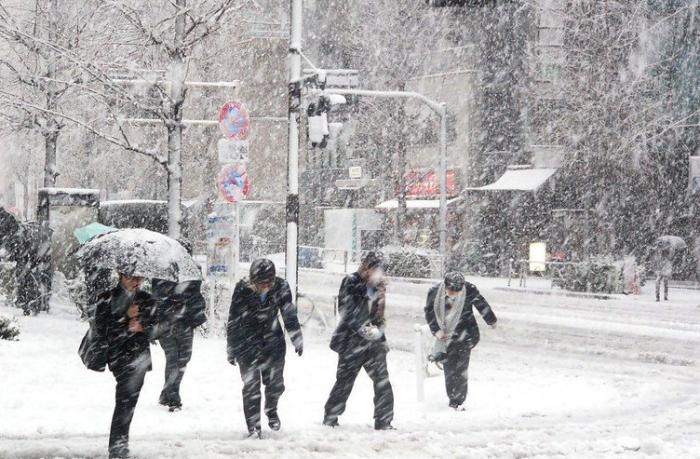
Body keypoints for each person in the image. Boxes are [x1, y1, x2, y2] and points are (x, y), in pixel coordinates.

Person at [226, 259, 303, 438]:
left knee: (275, 384)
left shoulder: (281, 287)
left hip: (273, 342)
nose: (265, 286)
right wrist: (231, 347)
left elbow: (289, 314)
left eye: (268, 283)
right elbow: (233, 319)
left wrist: (297, 338)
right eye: (260, 283)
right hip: (247, 343)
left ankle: (271, 408)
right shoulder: (242, 288)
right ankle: (253, 426)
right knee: (251, 386)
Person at [323, 251, 394, 430]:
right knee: (344, 382)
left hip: (374, 343)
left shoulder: (379, 288)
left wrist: (379, 331)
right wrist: (361, 328)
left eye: (382, 271)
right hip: (351, 342)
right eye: (377, 270)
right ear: (367, 268)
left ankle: (384, 420)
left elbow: (379, 315)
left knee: (382, 381)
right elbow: (345, 310)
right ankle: (331, 417)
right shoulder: (351, 281)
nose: (380, 275)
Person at [94, 270, 158, 458]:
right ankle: (118, 446)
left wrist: (143, 325)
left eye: (140, 277)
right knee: (125, 400)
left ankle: (119, 443)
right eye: (131, 277)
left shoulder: (147, 299)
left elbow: (158, 327)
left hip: (139, 357)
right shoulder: (107, 298)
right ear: (121, 276)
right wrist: (124, 316)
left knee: (128, 401)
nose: (136, 281)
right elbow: (101, 328)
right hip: (119, 356)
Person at [424, 271, 497, 411]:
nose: (453, 293)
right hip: (446, 337)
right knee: (449, 369)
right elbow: (429, 312)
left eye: (457, 290)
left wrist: (491, 320)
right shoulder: (434, 292)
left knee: (461, 368)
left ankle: (459, 400)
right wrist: (436, 330)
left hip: (466, 334)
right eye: (451, 290)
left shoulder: (468, 289)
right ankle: (453, 399)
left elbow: (481, 304)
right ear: (445, 285)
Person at [153, 278, 207, 411]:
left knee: (183, 359)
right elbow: (156, 300)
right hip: (166, 324)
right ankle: (173, 396)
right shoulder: (162, 274)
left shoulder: (191, 275)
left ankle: (167, 393)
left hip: (185, 324)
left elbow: (197, 298)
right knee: (173, 358)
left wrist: (192, 309)